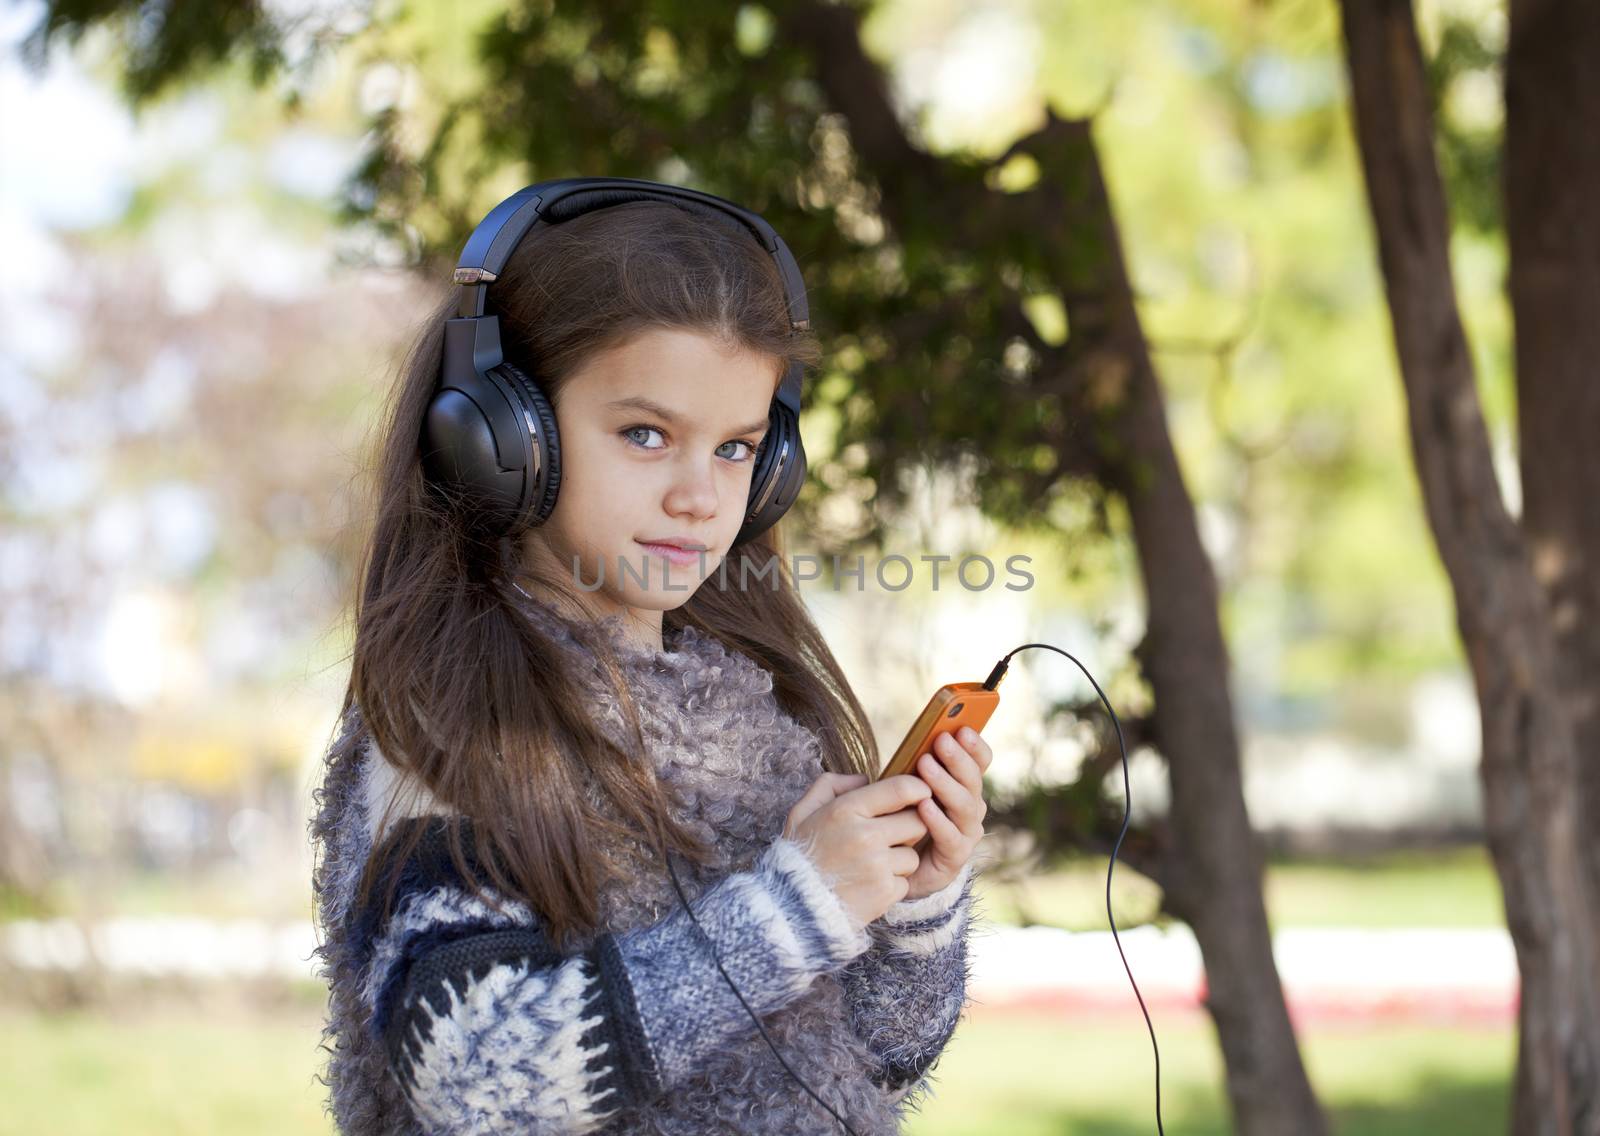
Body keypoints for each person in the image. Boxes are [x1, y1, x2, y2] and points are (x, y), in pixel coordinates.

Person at [309, 185, 992, 1136]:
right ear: (506, 436)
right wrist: (797, 908)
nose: (700, 497)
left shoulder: (751, 718)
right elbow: (484, 1084)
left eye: (737, 448)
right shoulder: (457, 724)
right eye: (645, 434)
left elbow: (872, 1065)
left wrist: (912, 907)